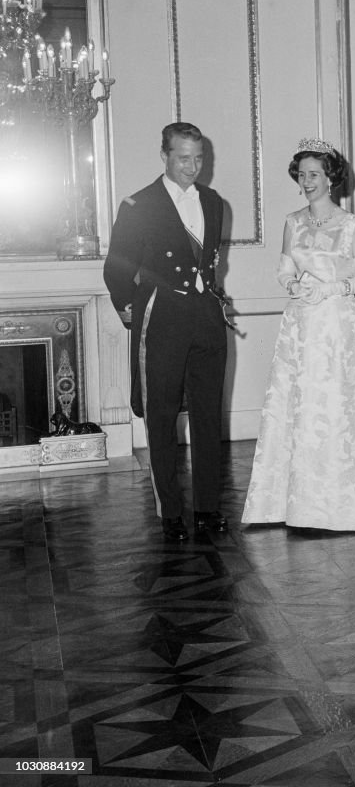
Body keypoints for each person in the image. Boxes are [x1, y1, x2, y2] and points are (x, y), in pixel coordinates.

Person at [241, 139, 355, 531]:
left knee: (339, 403)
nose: (307, 182)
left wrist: (330, 289)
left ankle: (347, 497)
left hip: (339, 325)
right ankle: (296, 500)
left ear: (331, 179)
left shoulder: (350, 224)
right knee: (300, 403)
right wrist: (293, 284)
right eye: (302, 175)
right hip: (301, 326)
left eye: (315, 175)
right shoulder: (293, 221)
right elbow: (284, 267)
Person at [103, 122, 229, 542]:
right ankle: (171, 512)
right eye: (182, 158)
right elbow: (116, 267)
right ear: (164, 156)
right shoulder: (139, 205)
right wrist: (130, 309)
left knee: (210, 416)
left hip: (207, 317)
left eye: (198, 158)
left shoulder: (213, 202)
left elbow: (209, 263)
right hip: (162, 315)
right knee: (161, 415)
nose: (192, 166)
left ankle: (208, 508)